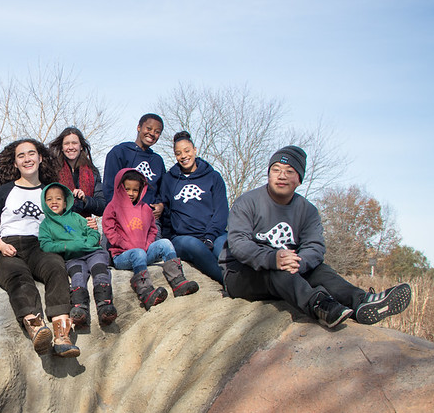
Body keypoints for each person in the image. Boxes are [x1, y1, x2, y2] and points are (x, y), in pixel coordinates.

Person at [219, 145, 412, 328]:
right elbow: (239, 244)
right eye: (276, 169)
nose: (281, 176)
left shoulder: (307, 210)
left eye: (289, 171)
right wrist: (273, 258)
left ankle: (361, 301)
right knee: (277, 270)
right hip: (242, 275)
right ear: (269, 173)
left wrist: (299, 263)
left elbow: (315, 247)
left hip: (289, 269)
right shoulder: (247, 202)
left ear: (299, 179)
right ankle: (321, 306)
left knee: (320, 270)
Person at [0, 139, 80, 358]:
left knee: (56, 268)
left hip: (41, 244)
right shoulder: (4, 191)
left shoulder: (50, 191)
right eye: (21, 156)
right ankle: (37, 328)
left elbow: (65, 219)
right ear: (15, 163)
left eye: (32, 154)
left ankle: (62, 334)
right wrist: (0, 244)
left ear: (40, 158)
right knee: (17, 277)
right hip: (9, 245)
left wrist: (87, 225)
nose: (27, 159)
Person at [103, 169, 199, 310]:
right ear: (120, 187)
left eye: (135, 190)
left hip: (143, 251)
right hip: (123, 256)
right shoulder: (112, 207)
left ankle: (178, 280)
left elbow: (153, 229)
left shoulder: (146, 209)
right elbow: (109, 231)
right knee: (138, 253)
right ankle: (145, 291)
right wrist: (127, 245)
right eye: (127, 189)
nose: (131, 193)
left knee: (165, 243)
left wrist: (148, 244)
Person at [39, 183, 117, 327]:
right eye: (49, 199)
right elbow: (45, 245)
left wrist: (90, 242)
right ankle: (80, 308)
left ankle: (105, 306)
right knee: (77, 275)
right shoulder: (46, 225)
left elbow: (92, 231)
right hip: (72, 257)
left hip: (93, 252)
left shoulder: (76, 217)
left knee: (100, 269)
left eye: (58, 198)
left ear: (65, 202)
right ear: (44, 203)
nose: (54, 202)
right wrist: (66, 246)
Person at [163, 131, 229, 283]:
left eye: (187, 151)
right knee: (194, 246)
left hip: (215, 234)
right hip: (184, 238)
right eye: (178, 153)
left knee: (223, 249)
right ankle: (228, 282)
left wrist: (210, 237)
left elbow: (221, 211)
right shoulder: (169, 179)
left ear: (195, 150)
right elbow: (166, 213)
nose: (184, 156)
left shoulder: (213, 177)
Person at [102, 113, 168, 227]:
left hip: (150, 219)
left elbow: (162, 191)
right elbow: (109, 189)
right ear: (139, 127)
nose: (152, 133)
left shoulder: (157, 161)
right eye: (149, 128)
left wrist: (161, 205)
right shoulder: (120, 152)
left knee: (162, 245)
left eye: (157, 132)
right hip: (122, 218)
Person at [48, 127, 106, 217]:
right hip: (59, 225)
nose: (71, 147)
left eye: (74, 143)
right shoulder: (52, 170)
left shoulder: (92, 172)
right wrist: (67, 197)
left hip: (85, 226)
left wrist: (85, 200)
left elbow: (102, 206)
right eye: (67, 144)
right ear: (62, 148)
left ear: (81, 146)